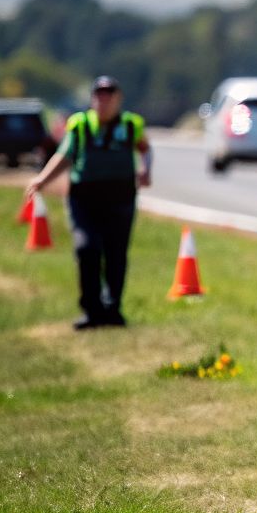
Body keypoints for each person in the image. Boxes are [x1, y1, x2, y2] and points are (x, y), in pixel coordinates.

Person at [27, 76, 152, 329]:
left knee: (116, 254)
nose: (103, 101)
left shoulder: (131, 125)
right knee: (87, 249)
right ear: (93, 99)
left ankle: (112, 309)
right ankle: (92, 310)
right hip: (84, 199)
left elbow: (145, 149)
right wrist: (42, 180)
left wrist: (146, 169)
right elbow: (64, 155)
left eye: (109, 96)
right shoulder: (80, 125)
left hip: (121, 197)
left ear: (118, 99)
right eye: (99, 96)